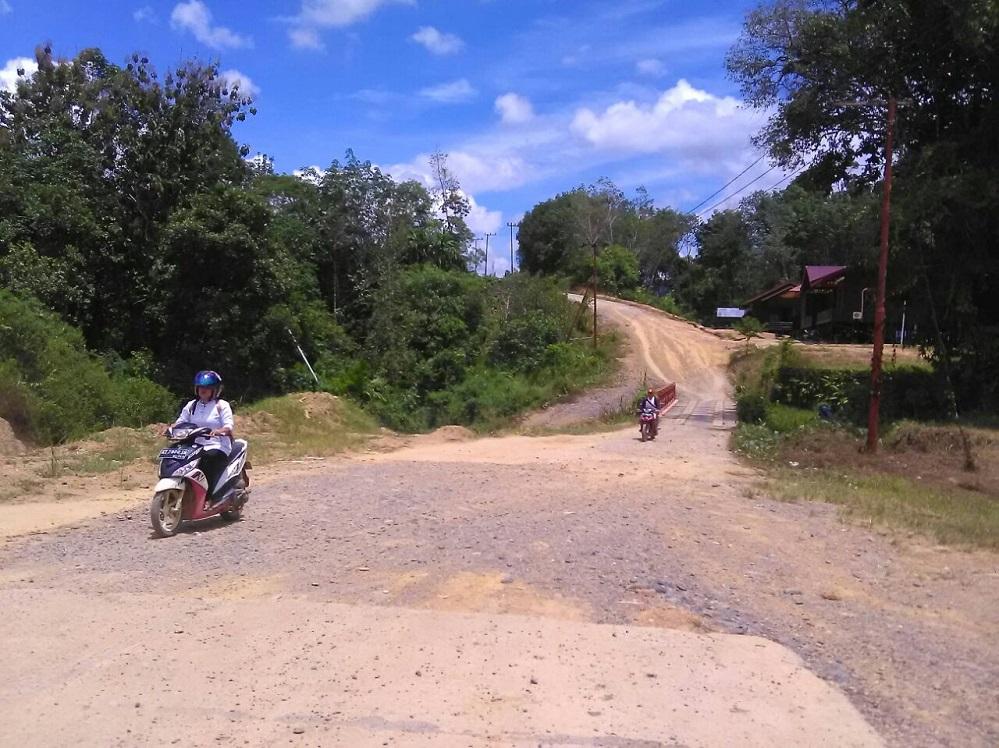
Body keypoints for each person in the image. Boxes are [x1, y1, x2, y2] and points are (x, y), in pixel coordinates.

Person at [170, 370, 234, 501]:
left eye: (207, 388)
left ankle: (209, 497)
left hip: (217, 445)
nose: (203, 390)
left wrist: (218, 431)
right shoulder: (192, 405)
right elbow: (180, 422)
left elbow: (228, 426)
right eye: (200, 387)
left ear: (215, 390)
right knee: (173, 455)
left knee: (207, 460)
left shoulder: (222, 406)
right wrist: (170, 428)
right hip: (194, 444)